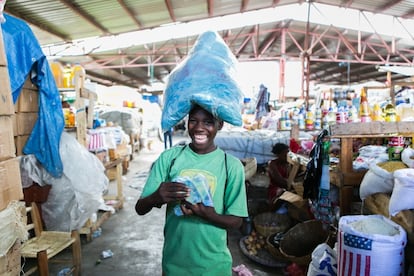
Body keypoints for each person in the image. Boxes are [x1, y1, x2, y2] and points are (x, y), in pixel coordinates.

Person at [135, 104, 248, 275]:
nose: (199, 128)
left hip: (215, 267)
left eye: (208, 122)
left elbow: (237, 221)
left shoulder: (231, 166)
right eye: (193, 121)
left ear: (220, 125)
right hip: (174, 264)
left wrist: (209, 214)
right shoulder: (169, 158)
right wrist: (156, 197)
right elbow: (140, 208)